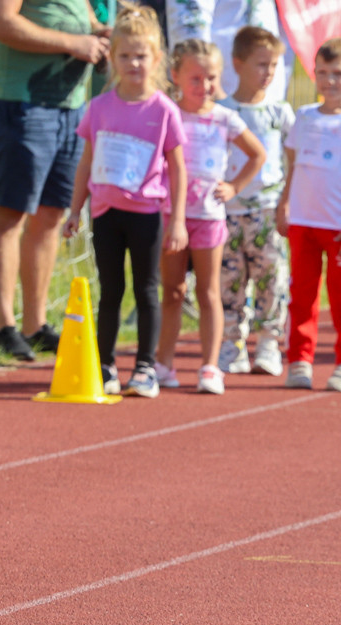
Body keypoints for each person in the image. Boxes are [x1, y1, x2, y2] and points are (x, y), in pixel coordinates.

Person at [63, 3, 187, 398]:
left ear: (156, 59)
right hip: (106, 212)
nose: (134, 63)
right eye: (126, 56)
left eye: (142, 56)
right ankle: (105, 364)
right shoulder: (99, 108)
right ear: (112, 59)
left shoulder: (164, 109)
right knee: (111, 290)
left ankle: (146, 367)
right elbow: (87, 160)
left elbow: (179, 168)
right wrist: (74, 208)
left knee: (147, 289)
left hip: (147, 214)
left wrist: (178, 219)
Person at [0, 0, 110, 361]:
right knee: (11, 212)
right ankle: (4, 327)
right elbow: (1, 22)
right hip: (23, 103)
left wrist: (100, 35)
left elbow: (82, 18)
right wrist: (71, 43)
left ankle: (34, 325)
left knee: (52, 214)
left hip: (71, 106)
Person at [154, 38, 265, 395]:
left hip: (209, 217)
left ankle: (210, 366)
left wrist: (234, 186)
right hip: (173, 216)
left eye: (211, 78)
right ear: (176, 76)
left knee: (208, 291)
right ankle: (163, 363)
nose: (204, 87)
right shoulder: (169, 113)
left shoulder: (224, 118)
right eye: (195, 79)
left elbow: (257, 154)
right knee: (172, 291)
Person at [276, 37, 341, 394]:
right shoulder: (303, 117)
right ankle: (299, 361)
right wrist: (283, 204)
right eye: (322, 73)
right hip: (303, 223)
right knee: (301, 295)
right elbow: (293, 166)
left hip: (340, 229)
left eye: (338, 73)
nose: (329, 81)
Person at [217, 26, 294, 378]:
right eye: (261, 64)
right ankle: (231, 343)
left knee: (271, 279)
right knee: (229, 281)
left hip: (267, 211)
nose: (269, 73)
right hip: (227, 212)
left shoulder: (280, 113)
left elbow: (293, 163)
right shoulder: (221, 111)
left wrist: (286, 204)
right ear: (238, 63)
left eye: (275, 65)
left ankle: (268, 343)